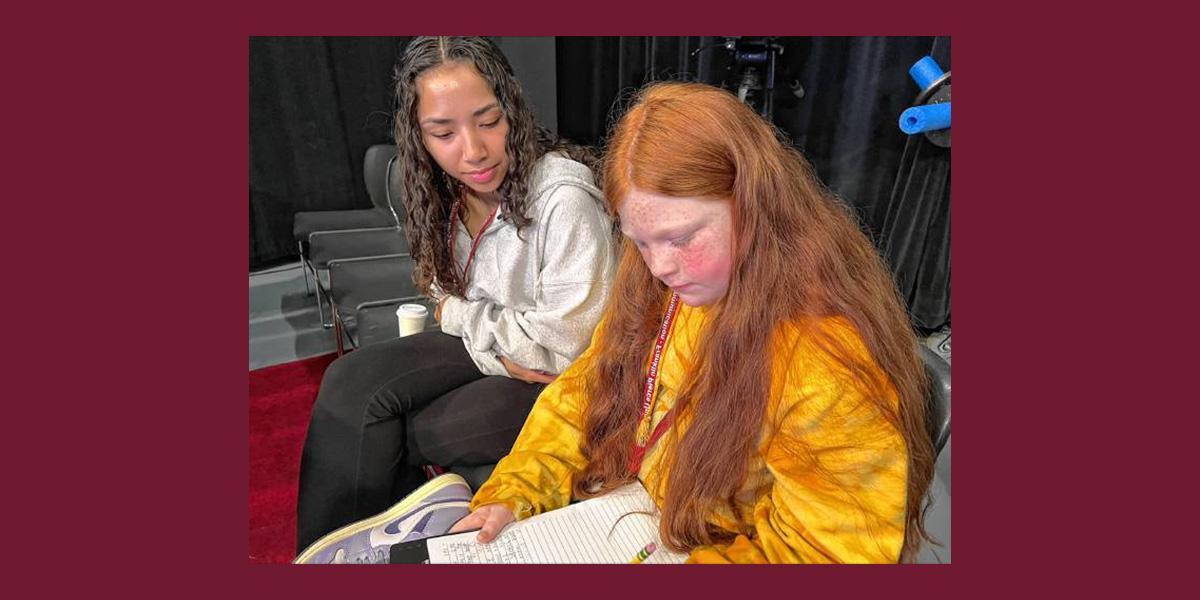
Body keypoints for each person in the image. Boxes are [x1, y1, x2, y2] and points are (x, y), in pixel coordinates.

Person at [450, 81, 936, 563]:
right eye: (640, 241)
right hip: (634, 518)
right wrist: (514, 493)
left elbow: (827, 556)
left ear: (754, 209)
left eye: (681, 239)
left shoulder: (822, 360)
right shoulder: (665, 283)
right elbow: (588, 388)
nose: (659, 265)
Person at [296, 37, 615, 555]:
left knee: (397, 428)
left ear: (512, 110)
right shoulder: (443, 192)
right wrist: (493, 348)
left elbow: (563, 349)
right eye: (443, 132)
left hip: (567, 380)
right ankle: (322, 559)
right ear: (419, 137)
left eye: (489, 122)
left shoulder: (565, 199)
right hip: (505, 347)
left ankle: (365, 555)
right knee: (348, 380)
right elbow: (441, 288)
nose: (473, 150)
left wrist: (463, 317)